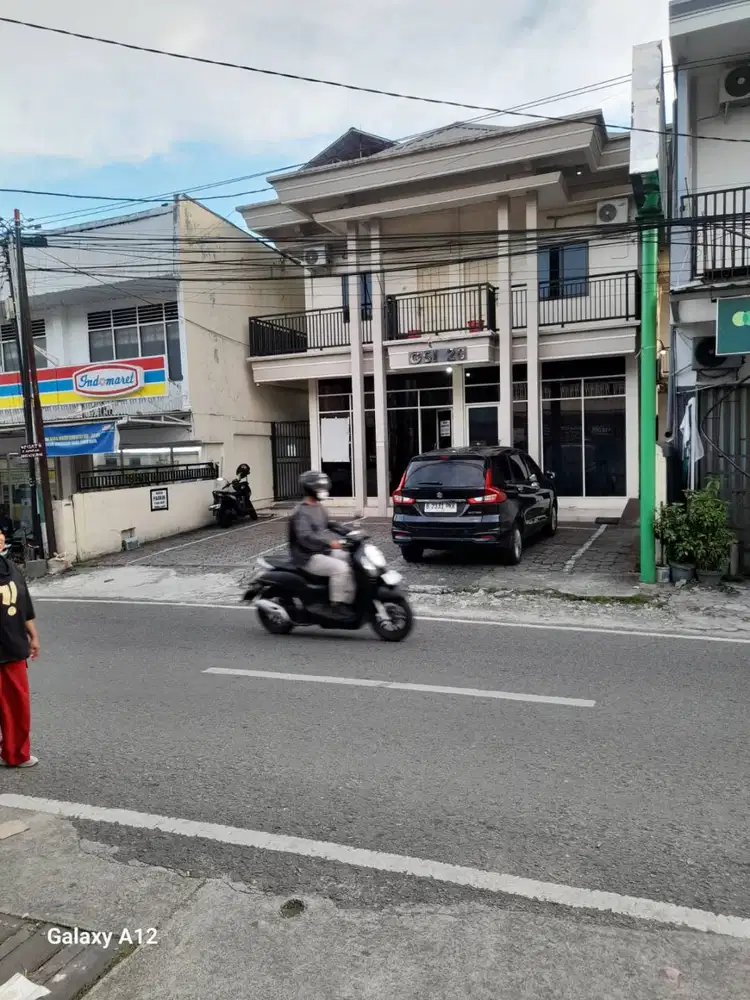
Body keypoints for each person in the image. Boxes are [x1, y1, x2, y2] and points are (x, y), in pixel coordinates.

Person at [0, 526, 40, 768]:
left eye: (0, 534)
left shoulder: (12, 569)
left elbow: (24, 607)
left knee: (17, 707)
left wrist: (33, 636)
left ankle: (15, 753)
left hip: (13, 648)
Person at [289, 471, 354, 619]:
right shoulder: (301, 511)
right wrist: (330, 542)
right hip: (307, 556)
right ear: (310, 489)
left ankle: (349, 598)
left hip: (321, 551)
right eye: (319, 488)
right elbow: (306, 536)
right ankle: (337, 605)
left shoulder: (318, 506)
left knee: (350, 557)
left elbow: (330, 524)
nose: (323, 490)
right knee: (340, 568)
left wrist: (350, 532)